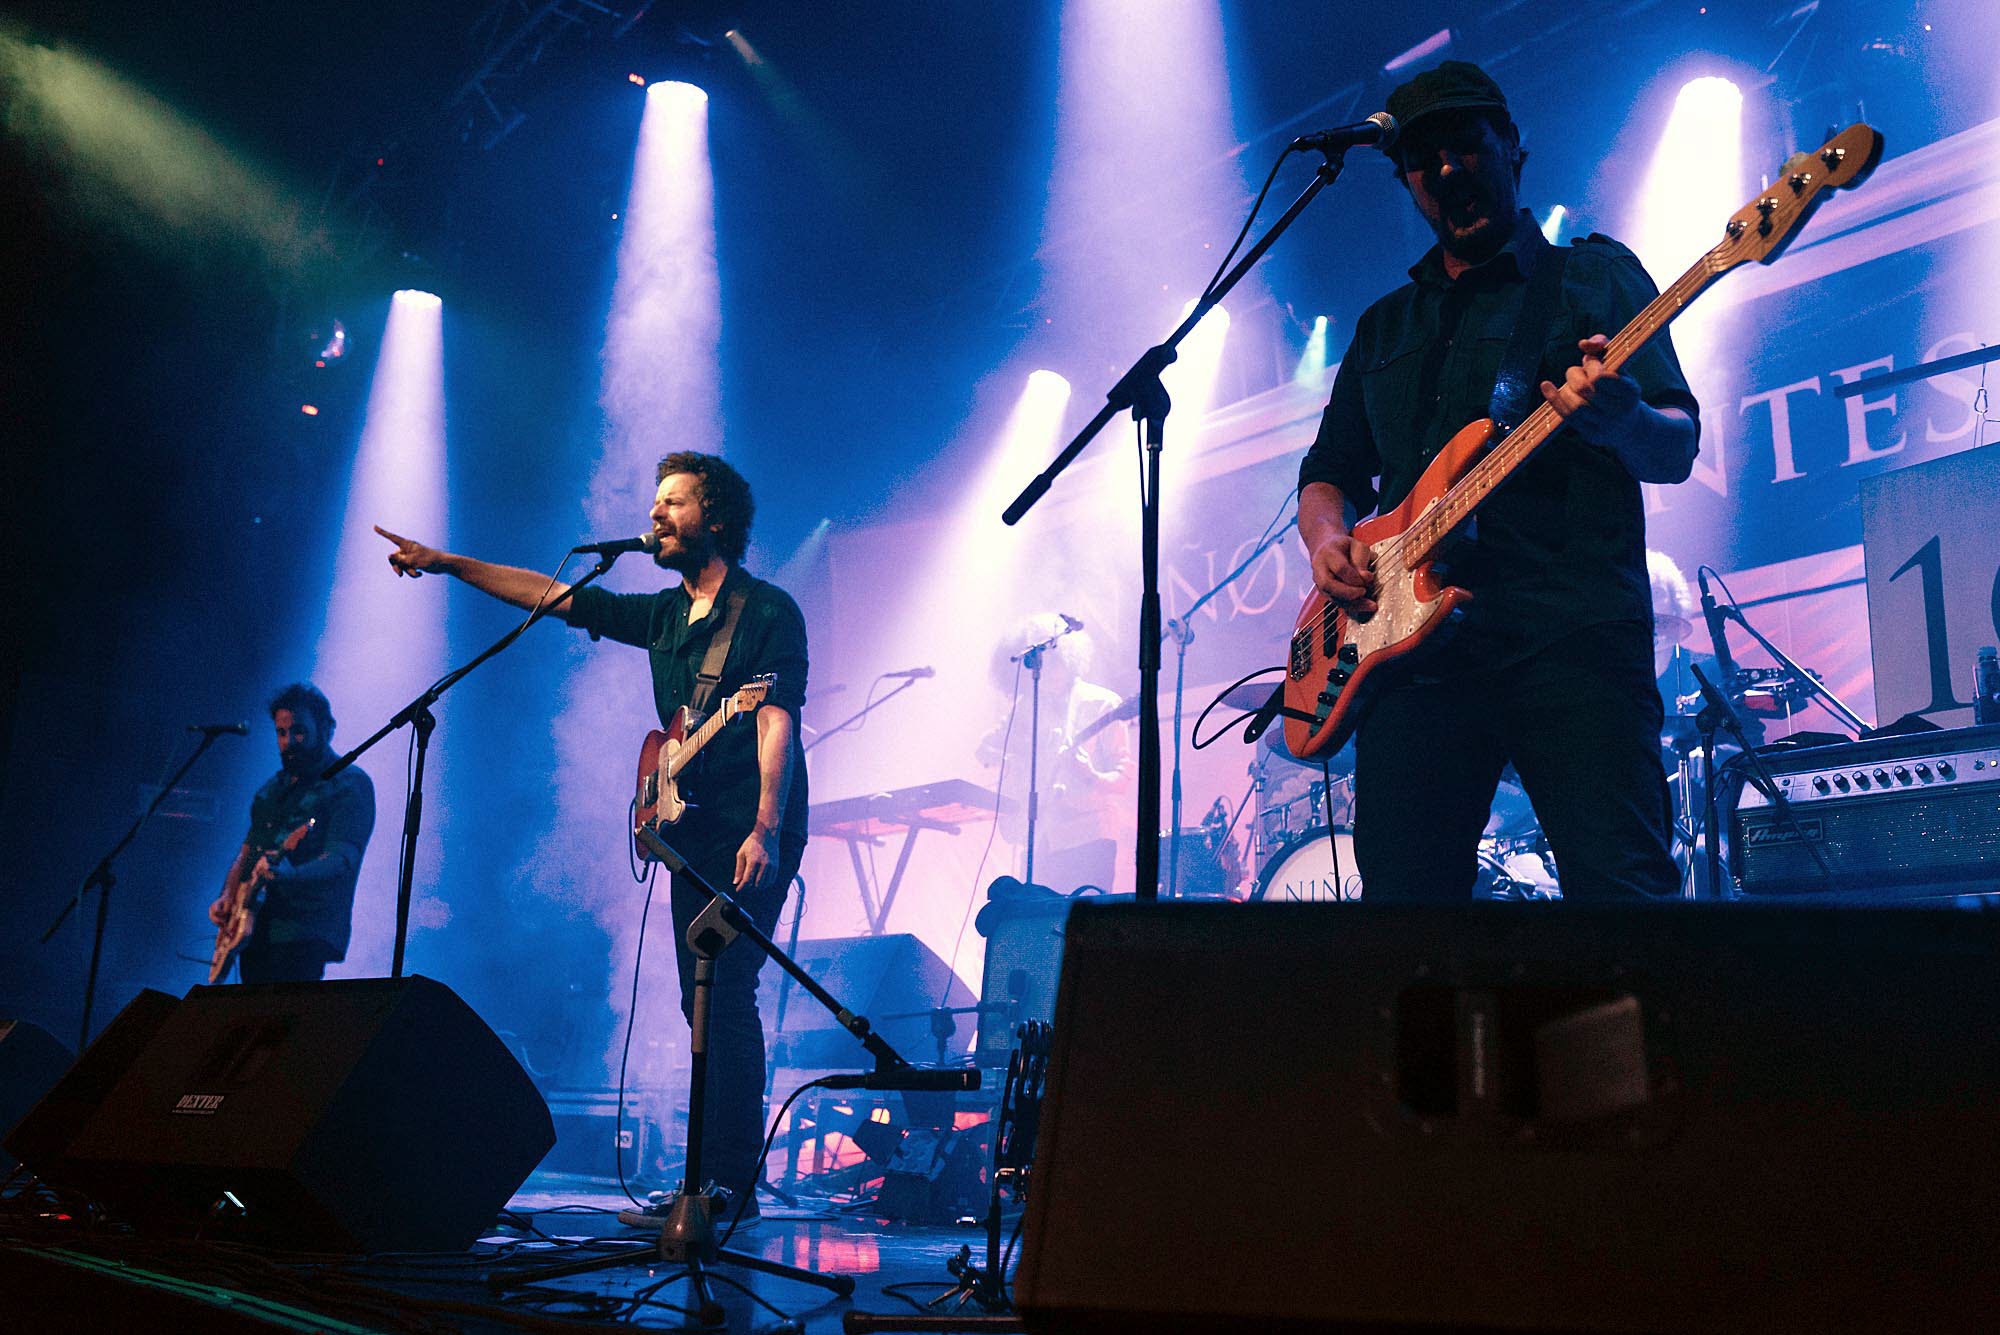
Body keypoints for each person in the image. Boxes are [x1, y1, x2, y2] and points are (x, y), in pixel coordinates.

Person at [1296, 61, 1701, 901]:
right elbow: (1330, 472)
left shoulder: (1594, 279)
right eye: (1424, 159)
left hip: (1570, 635)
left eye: (1467, 146)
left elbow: (1676, 446)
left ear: (1513, 148)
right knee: (1405, 918)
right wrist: (1329, 539)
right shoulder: (1384, 326)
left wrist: (1622, 418)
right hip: (1411, 659)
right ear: (1406, 179)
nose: (1448, 171)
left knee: (1624, 898)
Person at [375, 452, 807, 1224]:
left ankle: (727, 1190)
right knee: (695, 999)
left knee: (728, 995)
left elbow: (776, 719)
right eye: (655, 501)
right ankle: (697, 1188)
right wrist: (446, 564)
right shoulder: (666, 617)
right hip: (687, 828)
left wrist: (766, 828)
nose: (655, 515)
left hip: (748, 825)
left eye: (672, 501)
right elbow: (551, 595)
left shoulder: (768, 610)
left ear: (715, 516)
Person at [208, 683, 375, 982]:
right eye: (281, 733)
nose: (288, 742)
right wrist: (227, 896)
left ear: (325, 729)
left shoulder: (349, 785)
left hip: (304, 930)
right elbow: (247, 853)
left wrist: (293, 875)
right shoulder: (271, 790)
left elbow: (343, 857)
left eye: (298, 731)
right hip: (255, 929)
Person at [977, 614, 1133, 894]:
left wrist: (1090, 774)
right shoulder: (1027, 707)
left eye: (1052, 660)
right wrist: (1012, 762)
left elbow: (1122, 780)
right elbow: (985, 748)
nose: (1044, 668)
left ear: (1067, 659)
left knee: (1085, 929)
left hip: (1089, 838)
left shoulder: (1102, 703)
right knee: (1039, 927)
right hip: (1040, 839)